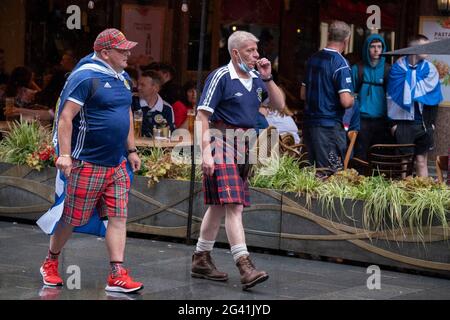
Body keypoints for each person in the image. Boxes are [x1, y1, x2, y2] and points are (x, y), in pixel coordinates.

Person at [37, 28, 143, 293]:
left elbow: (126, 112)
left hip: (116, 162)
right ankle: (50, 261)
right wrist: (64, 155)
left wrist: (131, 150)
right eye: (122, 50)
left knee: (118, 216)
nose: (128, 53)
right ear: (105, 52)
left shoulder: (124, 78)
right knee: (72, 218)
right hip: (87, 162)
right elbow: (65, 117)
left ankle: (117, 272)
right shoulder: (84, 77)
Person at [193, 30, 284, 290]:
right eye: (250, 51)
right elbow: (201, 117)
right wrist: (206, 153)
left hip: (245, 146)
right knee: (234, 205)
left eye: (257, 50)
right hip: (220, 142)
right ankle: (245, 266)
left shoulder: (257, 78)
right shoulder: (220, 76)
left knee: (219, 206)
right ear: (235, 53)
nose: (256, 55)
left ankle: (201, 258)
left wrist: (268, 78)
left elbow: (279, 105)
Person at [301, 20, 354, 172]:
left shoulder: (312, 59)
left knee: (312, 173)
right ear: (346, 40)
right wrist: (353, 99)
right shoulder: (341, 63)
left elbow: (303, 94)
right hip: (329, 126)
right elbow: (345, 101)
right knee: (330, 174)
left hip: (309, 124)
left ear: (328, 35)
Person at [387, 34, 443, 177]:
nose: (429, 50)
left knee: (421, 161)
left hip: (423, 123)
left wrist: (431, 124)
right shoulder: (397, 68)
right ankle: (401, 197)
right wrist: (394, 125)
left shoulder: (430, 70)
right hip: (403, 123)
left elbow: (434, 98)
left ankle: (421, 196)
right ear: (414, 48)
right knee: (404, 161)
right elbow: (390, 98)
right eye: (425, 46)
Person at [352, 34, 391, 160]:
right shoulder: (357, 68)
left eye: (379, 47)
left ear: (383, 49)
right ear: (366, 49)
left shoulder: (388, 69)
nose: (376, 50)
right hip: (361, 119)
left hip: (382, 120)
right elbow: (350, 94)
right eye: (372, 46)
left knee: (380, 156)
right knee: (360, 155)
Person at [136, 70, 175, 137]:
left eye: (142, 85)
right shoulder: (131, 103)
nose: (138, 88)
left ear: (156, 88)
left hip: (158, 146)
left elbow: (169, 135)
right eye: (138, 84)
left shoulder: (167, 108)